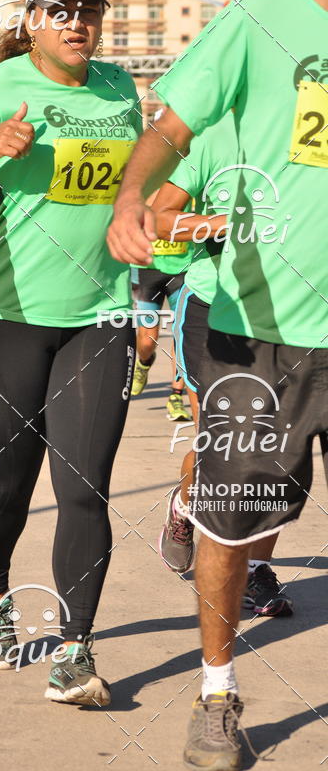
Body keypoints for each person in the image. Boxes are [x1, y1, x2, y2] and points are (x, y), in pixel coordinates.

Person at [107, 0, 328, 768]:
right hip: (255, 327)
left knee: (271, 505)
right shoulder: (258, 20)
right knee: (238, 520)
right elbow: (169, 127)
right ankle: (216, 689)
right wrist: (133, 197)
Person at [0, 0, 141, 706]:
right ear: (32, 21)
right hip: (7, 318)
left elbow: (131, 193)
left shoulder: (120, 90)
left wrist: (141, 295)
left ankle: (76, 651)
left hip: (100, 315)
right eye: (62, 10)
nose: (78, 22)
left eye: (89, 9)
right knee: (10, 482)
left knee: (84, 486)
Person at [154, 111, 294, 618]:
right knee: (223, 440)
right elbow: (160, 216)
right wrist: (218, 224)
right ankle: (185, 505)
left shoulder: (306, 146)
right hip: (213, 307)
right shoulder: (210, 143)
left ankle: (256, 573)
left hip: (287, 311)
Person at [130, 198, 192, 421]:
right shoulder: (148, 179)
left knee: (182, 334)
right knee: (147, 341)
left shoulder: (190, 178)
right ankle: (144, 362)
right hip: (146, 269)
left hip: (182, 270)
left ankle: (176, 395)